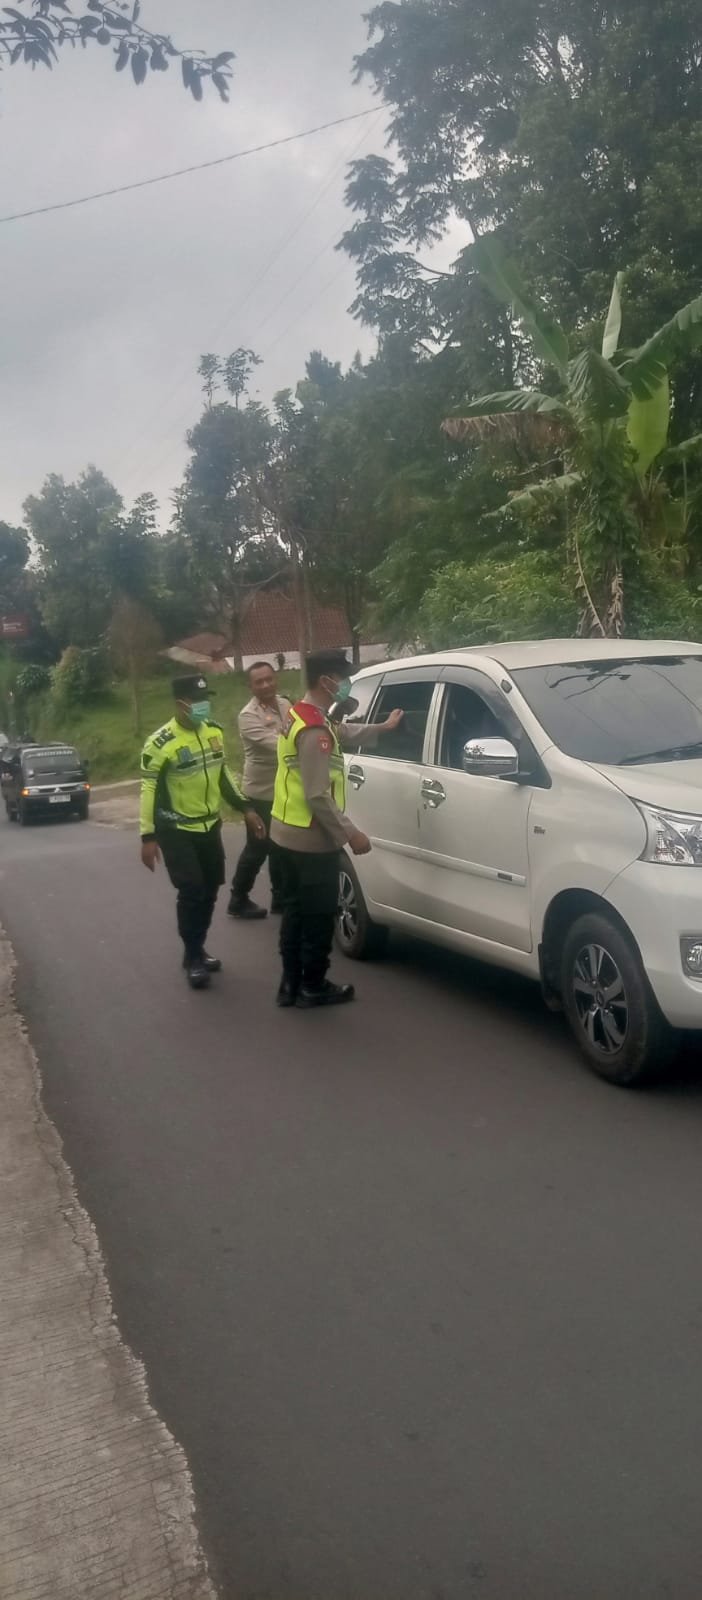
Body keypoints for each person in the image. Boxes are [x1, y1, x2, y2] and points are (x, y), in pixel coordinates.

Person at [270, 649, 403, 1009]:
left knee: (296, 913)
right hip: (312, 840)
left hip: (286, 832)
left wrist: (383, 728)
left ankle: (290, 984)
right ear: (325, 680)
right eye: (341, 677)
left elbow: (341, 730)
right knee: (316, 916)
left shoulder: (299, 715)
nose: (345, 683)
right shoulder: (314, 730)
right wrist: (351, 833)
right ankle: (312, 985)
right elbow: (316, 795)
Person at [140, 674, 266, 990]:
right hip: (176, 827)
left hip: (209, 824)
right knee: (192, 890)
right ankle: (193, 956)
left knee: (210, 889)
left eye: (204, 699)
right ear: (181, 703)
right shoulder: (161, 743)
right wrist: (148, 836)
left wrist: (246, 808)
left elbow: (222, 774)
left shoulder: (214, 732)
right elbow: (149, 789)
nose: (202, 706)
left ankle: (198, 948)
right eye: (196, 701)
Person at [227, 660, 291, 921]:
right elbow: (278, 744)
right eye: (259, 682)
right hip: (260, 792)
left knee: (282, 846)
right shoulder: (248, 716)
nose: (265, 685)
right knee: (258, 847)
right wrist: (302, 739)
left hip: (284, 789)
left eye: (269, 679)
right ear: (250, 686)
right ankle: (238, 898)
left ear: (275, 679)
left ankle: (281, 897)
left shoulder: (286, 704)